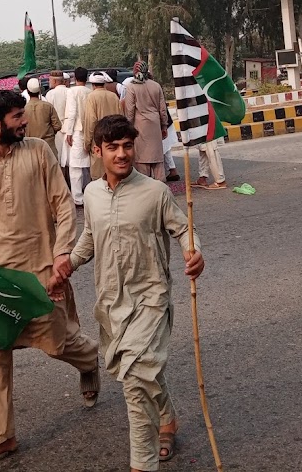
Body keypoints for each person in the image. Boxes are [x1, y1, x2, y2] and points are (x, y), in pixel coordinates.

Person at [0, 90, 100, 471]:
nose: (25, 122)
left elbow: (63, 204)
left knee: (57, 342)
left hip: (40, 269)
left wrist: (62, 253)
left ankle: (89, 362)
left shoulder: (39, 151)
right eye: (18, 116)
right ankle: (0, 440)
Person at [50, 114, 204, 472]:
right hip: (110, 303)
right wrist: (69, 264)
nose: (122, 154)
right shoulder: (90, 193)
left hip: (151, 299)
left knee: (135, 382)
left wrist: (193, 252)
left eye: (127, 146)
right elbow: (91, 235)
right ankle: (167, 420)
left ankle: (142, 463)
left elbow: (184, 230)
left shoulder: (156, 192)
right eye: (113, 147)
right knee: (143, 370)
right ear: (97, 150)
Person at [121, 61, 169, 181]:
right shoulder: (156, 85)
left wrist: (129, 128)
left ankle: (144, 186)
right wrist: (164, 126)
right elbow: (163, 109)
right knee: (157, 158)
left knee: (142, 159)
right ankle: (161, 186)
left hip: (140, 125)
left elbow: (130, 110)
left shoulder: (132, 87)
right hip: (155, 124)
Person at [82, 72, 122, 180]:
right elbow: (121, 118)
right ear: (104, 84)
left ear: (93, 85)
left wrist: (87, 143)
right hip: (115, 139)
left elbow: (90, 122)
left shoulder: (91, 97)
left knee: (100, 177)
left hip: (99, 141)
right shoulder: (113, 96)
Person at [62, 67, 92, 206]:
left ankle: (78, 197)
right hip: (88, 129)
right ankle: (87, 192)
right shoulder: (90, 91)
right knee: (86, 164)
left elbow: (72, 113)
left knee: (75, 166)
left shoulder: (72, 92)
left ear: (74, 77)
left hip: (77, 130)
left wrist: (69, 132)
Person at [23, 78, 63, 158]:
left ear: (27, 91)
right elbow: (58, 126)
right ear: (39, 91)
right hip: (49, 147)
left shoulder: (23, 110)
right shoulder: (48, 106)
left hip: (31, 148)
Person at [44, 71, 70, 182]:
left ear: (54, 81)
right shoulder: (70, 91)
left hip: (57, 130)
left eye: (50, 80)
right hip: (69, 128)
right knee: (70, 160)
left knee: (59, 159)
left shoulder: (50, 94)